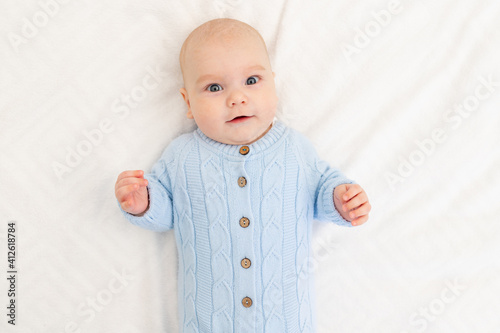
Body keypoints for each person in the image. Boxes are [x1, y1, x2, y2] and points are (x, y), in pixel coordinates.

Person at [115, 18, 370, 333]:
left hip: (287, 322)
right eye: (214, 87)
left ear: (273, 83)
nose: (236, 98)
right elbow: (166, 214)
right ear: (188, 103)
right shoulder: (181, 157)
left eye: (252, 80)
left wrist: (342, 199)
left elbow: (321, 189)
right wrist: (143, 202)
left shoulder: (294, 149)